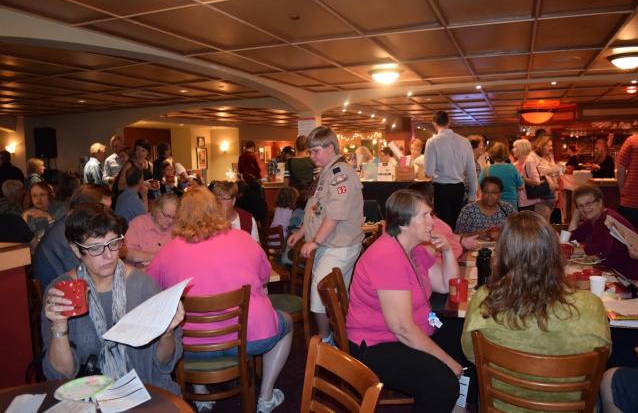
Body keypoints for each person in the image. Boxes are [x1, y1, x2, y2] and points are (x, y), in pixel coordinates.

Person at [148, 187, 292, 413]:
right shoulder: (243, 239)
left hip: (191, 346)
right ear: (216, 209)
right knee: (286, 323)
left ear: (181, 215)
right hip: (251, 337)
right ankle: (265, 397)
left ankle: (202, 395)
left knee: (182, 323)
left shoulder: (167, 251)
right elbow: (264, 275)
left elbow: (151, 292)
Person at [461, 211, 611, 411]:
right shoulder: (592, 306)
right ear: (554, 252)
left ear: (502, 255)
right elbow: (604, 356)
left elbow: (470, 353)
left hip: (503, 404)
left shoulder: (484, 300)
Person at [42, 203, 184, 393]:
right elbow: (62, 375)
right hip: (88, 395)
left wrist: (167, 334)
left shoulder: (144, 286)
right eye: (95, 248)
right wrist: (59, 326)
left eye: (113, 243)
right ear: (76, 250)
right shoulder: (61, 292)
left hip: (146, 389)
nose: (108, 255)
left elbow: (163, 362)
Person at [346, 189, 461, 413]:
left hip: (416, 328)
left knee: (466, 337)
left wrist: (447, 251)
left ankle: (459, 402)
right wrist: (448, 362)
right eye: (425, 216)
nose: (432, 222)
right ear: (403, 222)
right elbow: (401, 329)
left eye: (432, 215)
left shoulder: (414, 249)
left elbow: (445, 285)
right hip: (377, 345)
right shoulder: (387, 256)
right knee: (442, 383)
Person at [287, 126, 364, 345]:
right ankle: (343, 337)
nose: (311, 156)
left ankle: (326, 339)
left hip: (339, 245)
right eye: (310, 151)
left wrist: (314, 241)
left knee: (320, 295)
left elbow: (335, 215)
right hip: (329, 244)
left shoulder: (341, 174)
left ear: (330, 147)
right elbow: (316, 209)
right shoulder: (327, 172)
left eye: (315, 151)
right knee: (333, 297)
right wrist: (302, 232)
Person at [32, 185, 113, 287]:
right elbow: (85, 279)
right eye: (102, 211)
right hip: (60, 294)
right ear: (86, 208)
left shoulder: (69, 225)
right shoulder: (66, 235)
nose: (107, 217)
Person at [569, 184, 638, 279]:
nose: (585, 209)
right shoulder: (594, 218)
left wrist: (568, 251)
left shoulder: (607, 220)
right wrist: (575, 218)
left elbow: (595, 253)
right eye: (580, 206)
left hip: (629, 278)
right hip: (614, 272)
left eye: (589, 204)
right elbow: (573, 238)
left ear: (600, 201)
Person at [425, 111, 477, 229]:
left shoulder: (432, 142)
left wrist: (436, 173)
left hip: (441, 187)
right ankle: (456, 246)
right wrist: (473, 194)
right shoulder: (464, 141)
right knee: (456, 223)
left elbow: (428, 171)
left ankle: (448, 247)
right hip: (458, 187)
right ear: (449, 122)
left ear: (434, 124)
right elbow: (471, 169)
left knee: (443, 225)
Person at [124, 193, 178, 267]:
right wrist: (158, 257)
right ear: (156, 209)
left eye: (174, 217)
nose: (171, 221)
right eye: (167, 216)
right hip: (141, 274)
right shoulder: (138, 224)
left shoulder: (176, 228)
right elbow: (127, 253)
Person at [521, 135, 560, 221]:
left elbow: (555, 172)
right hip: (541, 197)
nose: (551, 148)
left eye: (551, 146)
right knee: (542, 223)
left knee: (546, 221)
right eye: (548, 146)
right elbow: (535, 180)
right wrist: (549, 179)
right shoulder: (532, 158)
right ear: (541, 146)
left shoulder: (549, 156)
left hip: (551, 195)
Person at [479, 142, 523, 210]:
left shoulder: (486, 169)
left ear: (492, 154)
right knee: (511, 220)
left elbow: (479, 186)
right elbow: (521, 186)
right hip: (511, 203)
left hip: (492, 202)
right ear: (506, 154)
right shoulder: (512, 168)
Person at [617, 133, 638, 231]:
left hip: (630, 200)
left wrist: (622, 191)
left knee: (626, 239)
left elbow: (621, 170)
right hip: (630, 200)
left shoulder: (632, 141)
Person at [512, 139, 534, 211]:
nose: (513, 150)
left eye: (515, 148)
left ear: (522, 149)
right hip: (517, 200)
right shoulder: (513, 165)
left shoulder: (531, 163)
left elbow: (536, 181)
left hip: (530, 200)